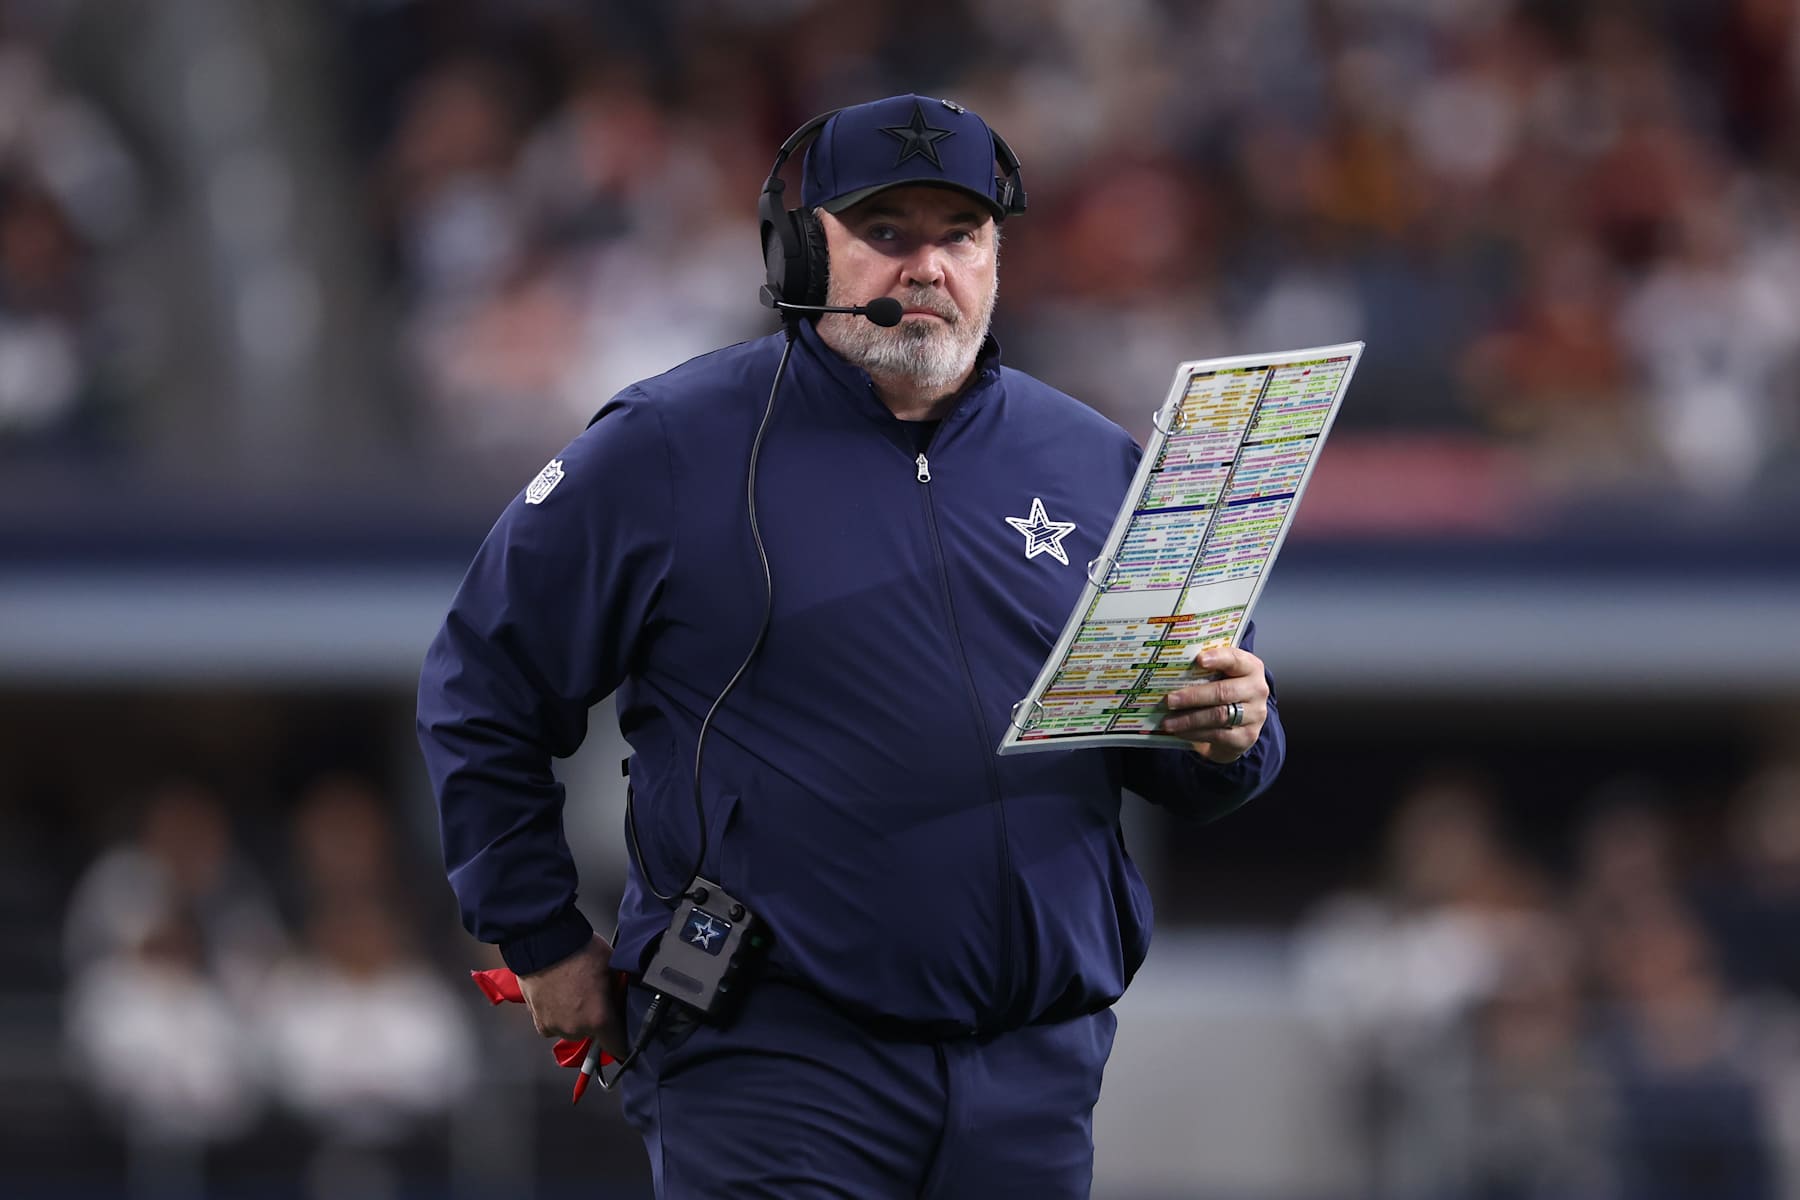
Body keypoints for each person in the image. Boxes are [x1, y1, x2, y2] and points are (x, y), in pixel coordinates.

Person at [418, 93, 1284, 1198]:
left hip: (1034, 1070)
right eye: (886, 232)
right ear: (799, 248)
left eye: (961, 234)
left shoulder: (1096, 462)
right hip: (772, 1066)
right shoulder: (666, 446)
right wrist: (538, 934)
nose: (929, 266)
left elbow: (1196, 766)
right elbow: (480, 687)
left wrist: (1228, 736)